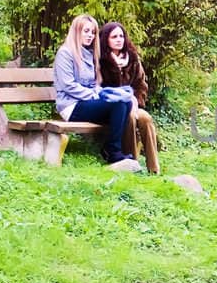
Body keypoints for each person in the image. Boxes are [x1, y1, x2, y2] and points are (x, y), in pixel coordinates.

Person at [52, 13, 136, 168]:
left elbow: (93, 84)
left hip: (87, 103)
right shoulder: (65, 53)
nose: (90, 35)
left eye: (93, 32)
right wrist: (94, 95)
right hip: (71, 106)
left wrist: (104, 92)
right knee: (117, 105)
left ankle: (110, 148)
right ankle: (113, 151)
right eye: (86, 31)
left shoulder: (90, 54)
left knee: (125, 102)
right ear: (77, 31)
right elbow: (68, 85)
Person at [99, 21, 160, 174]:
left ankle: (154, 168)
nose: (119, 40)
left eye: (121, 36)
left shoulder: (132, 59)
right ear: (106, 39)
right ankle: (132, 162)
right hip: (112, 107)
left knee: (145, 118)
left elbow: (141, 86)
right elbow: (98, 89)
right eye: (114, 37)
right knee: (130, 118)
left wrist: (136, 101)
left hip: (133, 104)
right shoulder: (101, 61)